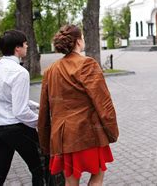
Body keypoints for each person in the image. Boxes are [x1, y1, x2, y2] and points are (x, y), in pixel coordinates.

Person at [38, 25, 119, 186]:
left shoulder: (50, 70)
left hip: (62, 137)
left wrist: (45, 141)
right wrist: (112, 131)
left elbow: (44, 110)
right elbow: (103, 102)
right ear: (78, 41)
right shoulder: (87, 64)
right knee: (97, 175)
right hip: (87, 132)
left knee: (70, 181)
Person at [0, 30, 44, 186]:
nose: (27, 46)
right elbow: (20, 111)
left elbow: (6, 98)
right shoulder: (20, 72)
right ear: (17, 48)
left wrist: (35, 105)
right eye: (25, 44)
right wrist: (40, 121)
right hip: (17, 129)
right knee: (41, 169)